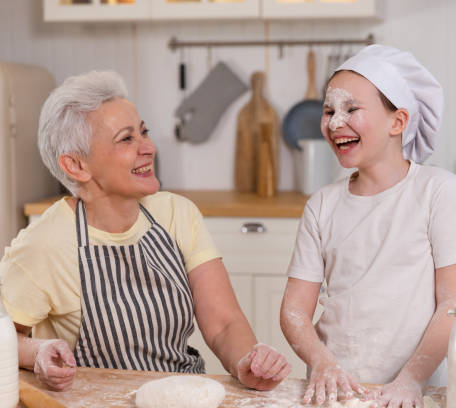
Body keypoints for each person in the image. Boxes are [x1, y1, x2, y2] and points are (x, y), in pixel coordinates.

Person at [0, 70, 290, 392]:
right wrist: (37, 351)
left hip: (183, 394)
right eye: (127, 139)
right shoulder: (46, 243)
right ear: (76, 166)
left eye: (144, 132)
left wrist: (246, 362)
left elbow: (223, 323)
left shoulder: (177, 214)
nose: (149, 147)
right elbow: (4, 338)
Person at [280, 44, 456, 407]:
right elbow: (295, 310)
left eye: (351, 108)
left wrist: (411, 379)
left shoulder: (437, 191)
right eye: (328, 110)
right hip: (336, 391)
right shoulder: (322, 206)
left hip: (412, 393)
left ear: (398, 121)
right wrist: (321, 362)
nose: (333, 122)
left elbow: (454, 303)